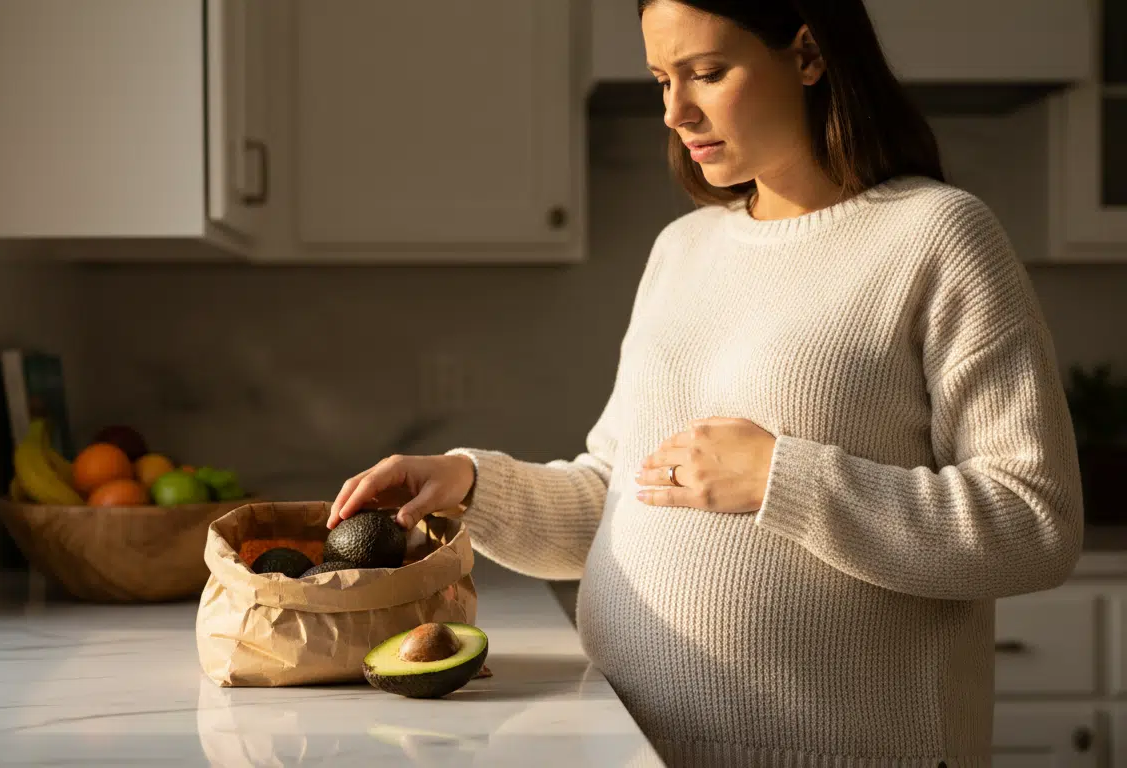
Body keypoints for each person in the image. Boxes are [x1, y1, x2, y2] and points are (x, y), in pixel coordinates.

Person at [329, 0, 1083, 764]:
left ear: (809, 56)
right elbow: (621, 497)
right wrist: (468, 485)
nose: (677, 112)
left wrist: (782, 480)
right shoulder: (682, 249)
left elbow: (1035, 523)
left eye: (707, 73)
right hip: (631, 742)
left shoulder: (937, 235)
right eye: (662, 80)